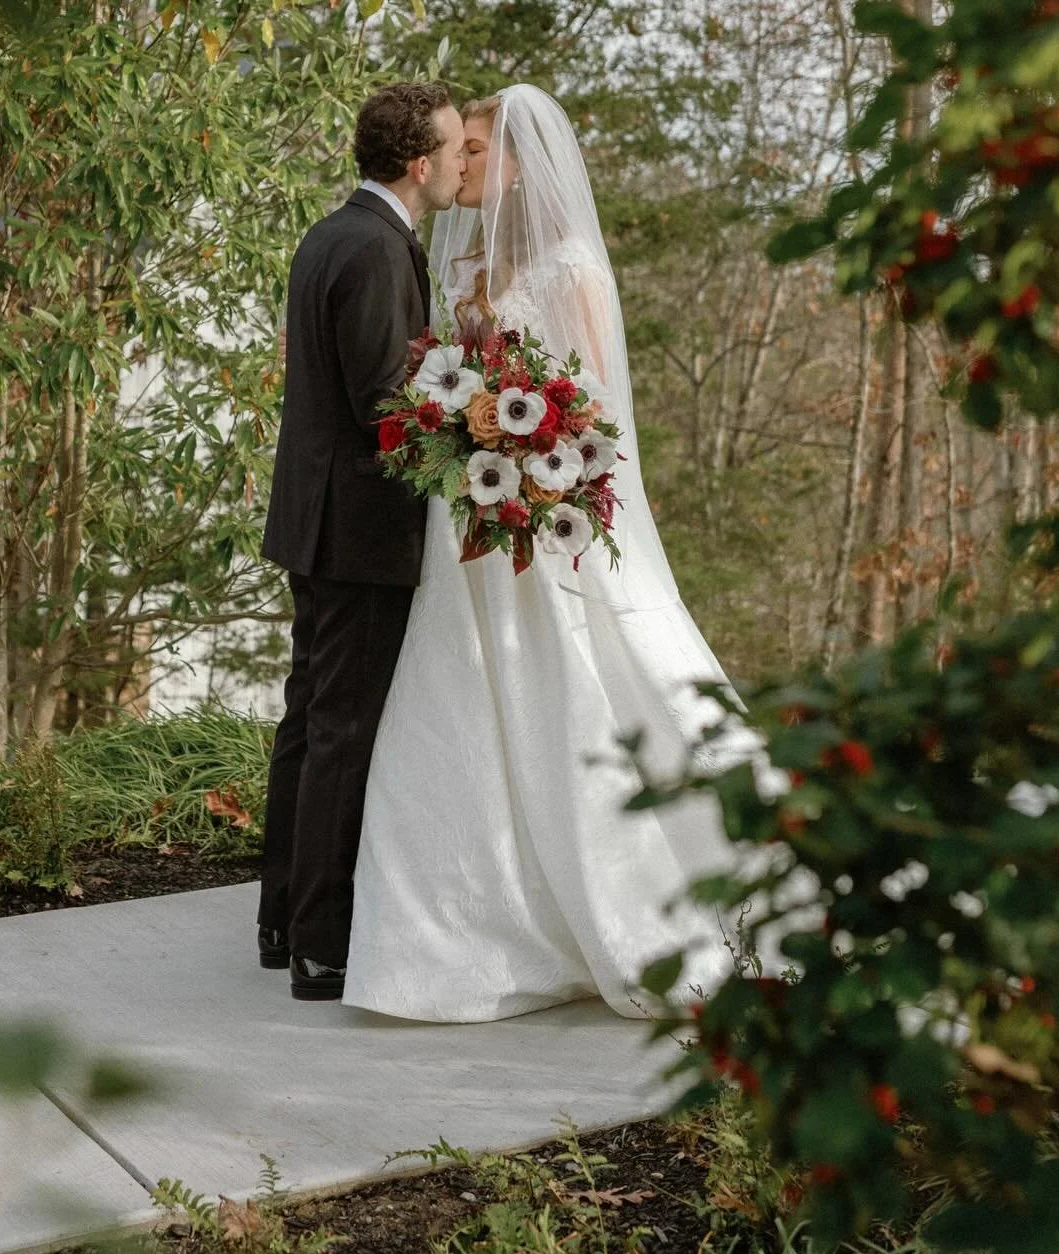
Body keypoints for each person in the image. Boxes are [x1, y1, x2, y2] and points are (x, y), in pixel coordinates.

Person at [341, 83, 742, 1022]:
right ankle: (457, 927)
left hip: (548, 510)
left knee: (594, 685)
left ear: (517, 161)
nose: (463, 163)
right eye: (459, 150)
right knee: (457, 707)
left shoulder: (573, 268)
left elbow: (596, 408)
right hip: (475, 516)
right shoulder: (469, 257)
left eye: (475, 149)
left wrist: (534, 461)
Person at [258, 80, 467, 1001]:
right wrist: (479, 439)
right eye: (455, 150)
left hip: (314, 519)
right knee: (341, 728)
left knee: (308, 718)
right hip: (358, 531)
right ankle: (321, 946)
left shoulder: (330, 234)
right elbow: (386, 404)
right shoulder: (381, 251)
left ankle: (278, 919)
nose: (463, 163)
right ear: (418, 162)